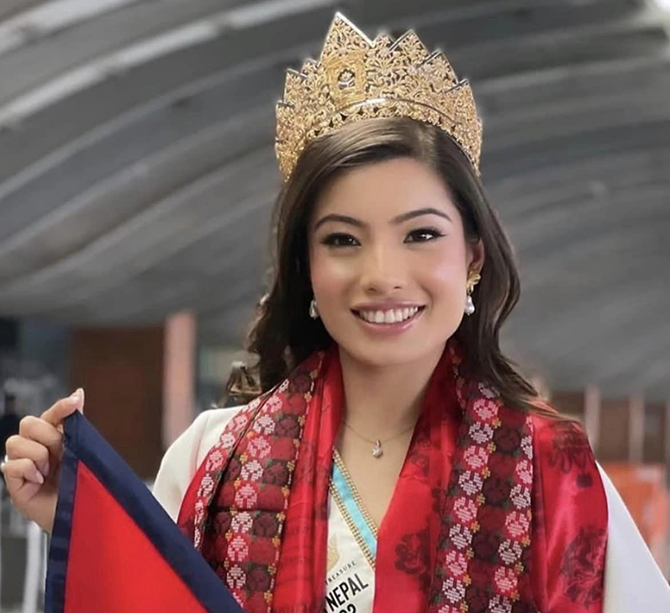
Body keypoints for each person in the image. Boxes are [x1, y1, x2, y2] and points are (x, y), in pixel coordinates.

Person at [2, 13, 669, 613]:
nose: (382, 275)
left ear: (472, 255)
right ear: (306, 268)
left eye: (420, 234)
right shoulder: (216, 456)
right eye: (343, 240)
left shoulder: (551, 468)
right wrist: (79, 524)